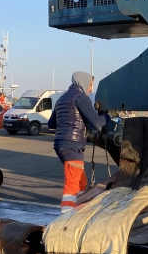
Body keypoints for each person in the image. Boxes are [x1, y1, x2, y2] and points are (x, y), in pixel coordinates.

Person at [48, 71, 119, 214]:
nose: (91, 88)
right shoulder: (80, 98)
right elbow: (97, 122)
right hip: (72, 145)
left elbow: (51, 124)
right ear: (83, 82)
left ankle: (77, 211)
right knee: (73, 184)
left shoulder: (61, 99)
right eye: (90, 84)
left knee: (81, 181)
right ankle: (66, 218)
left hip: (60, 144)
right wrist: (110, 115)